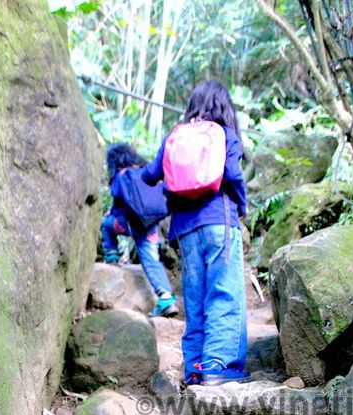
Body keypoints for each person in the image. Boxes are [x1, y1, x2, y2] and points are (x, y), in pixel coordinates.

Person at [142, 80, 248, 386]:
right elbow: (233, 173)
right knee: (224, 290)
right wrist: (241, 203)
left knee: (195, 296)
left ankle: (194, 368)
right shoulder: (224, 133)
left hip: (185, 230)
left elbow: (150, 174)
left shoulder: (176, 136)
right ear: (225, 106)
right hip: (219, 220)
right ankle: (218, 366)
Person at [102, 143, 179, 318]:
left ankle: (112, 256)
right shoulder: (146, 170)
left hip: (128, 224)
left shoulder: (121, 175)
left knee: (106, 224)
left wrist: (112, 214)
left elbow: (118, 201)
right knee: (152, 260)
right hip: (150, 225)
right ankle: (166, 299)